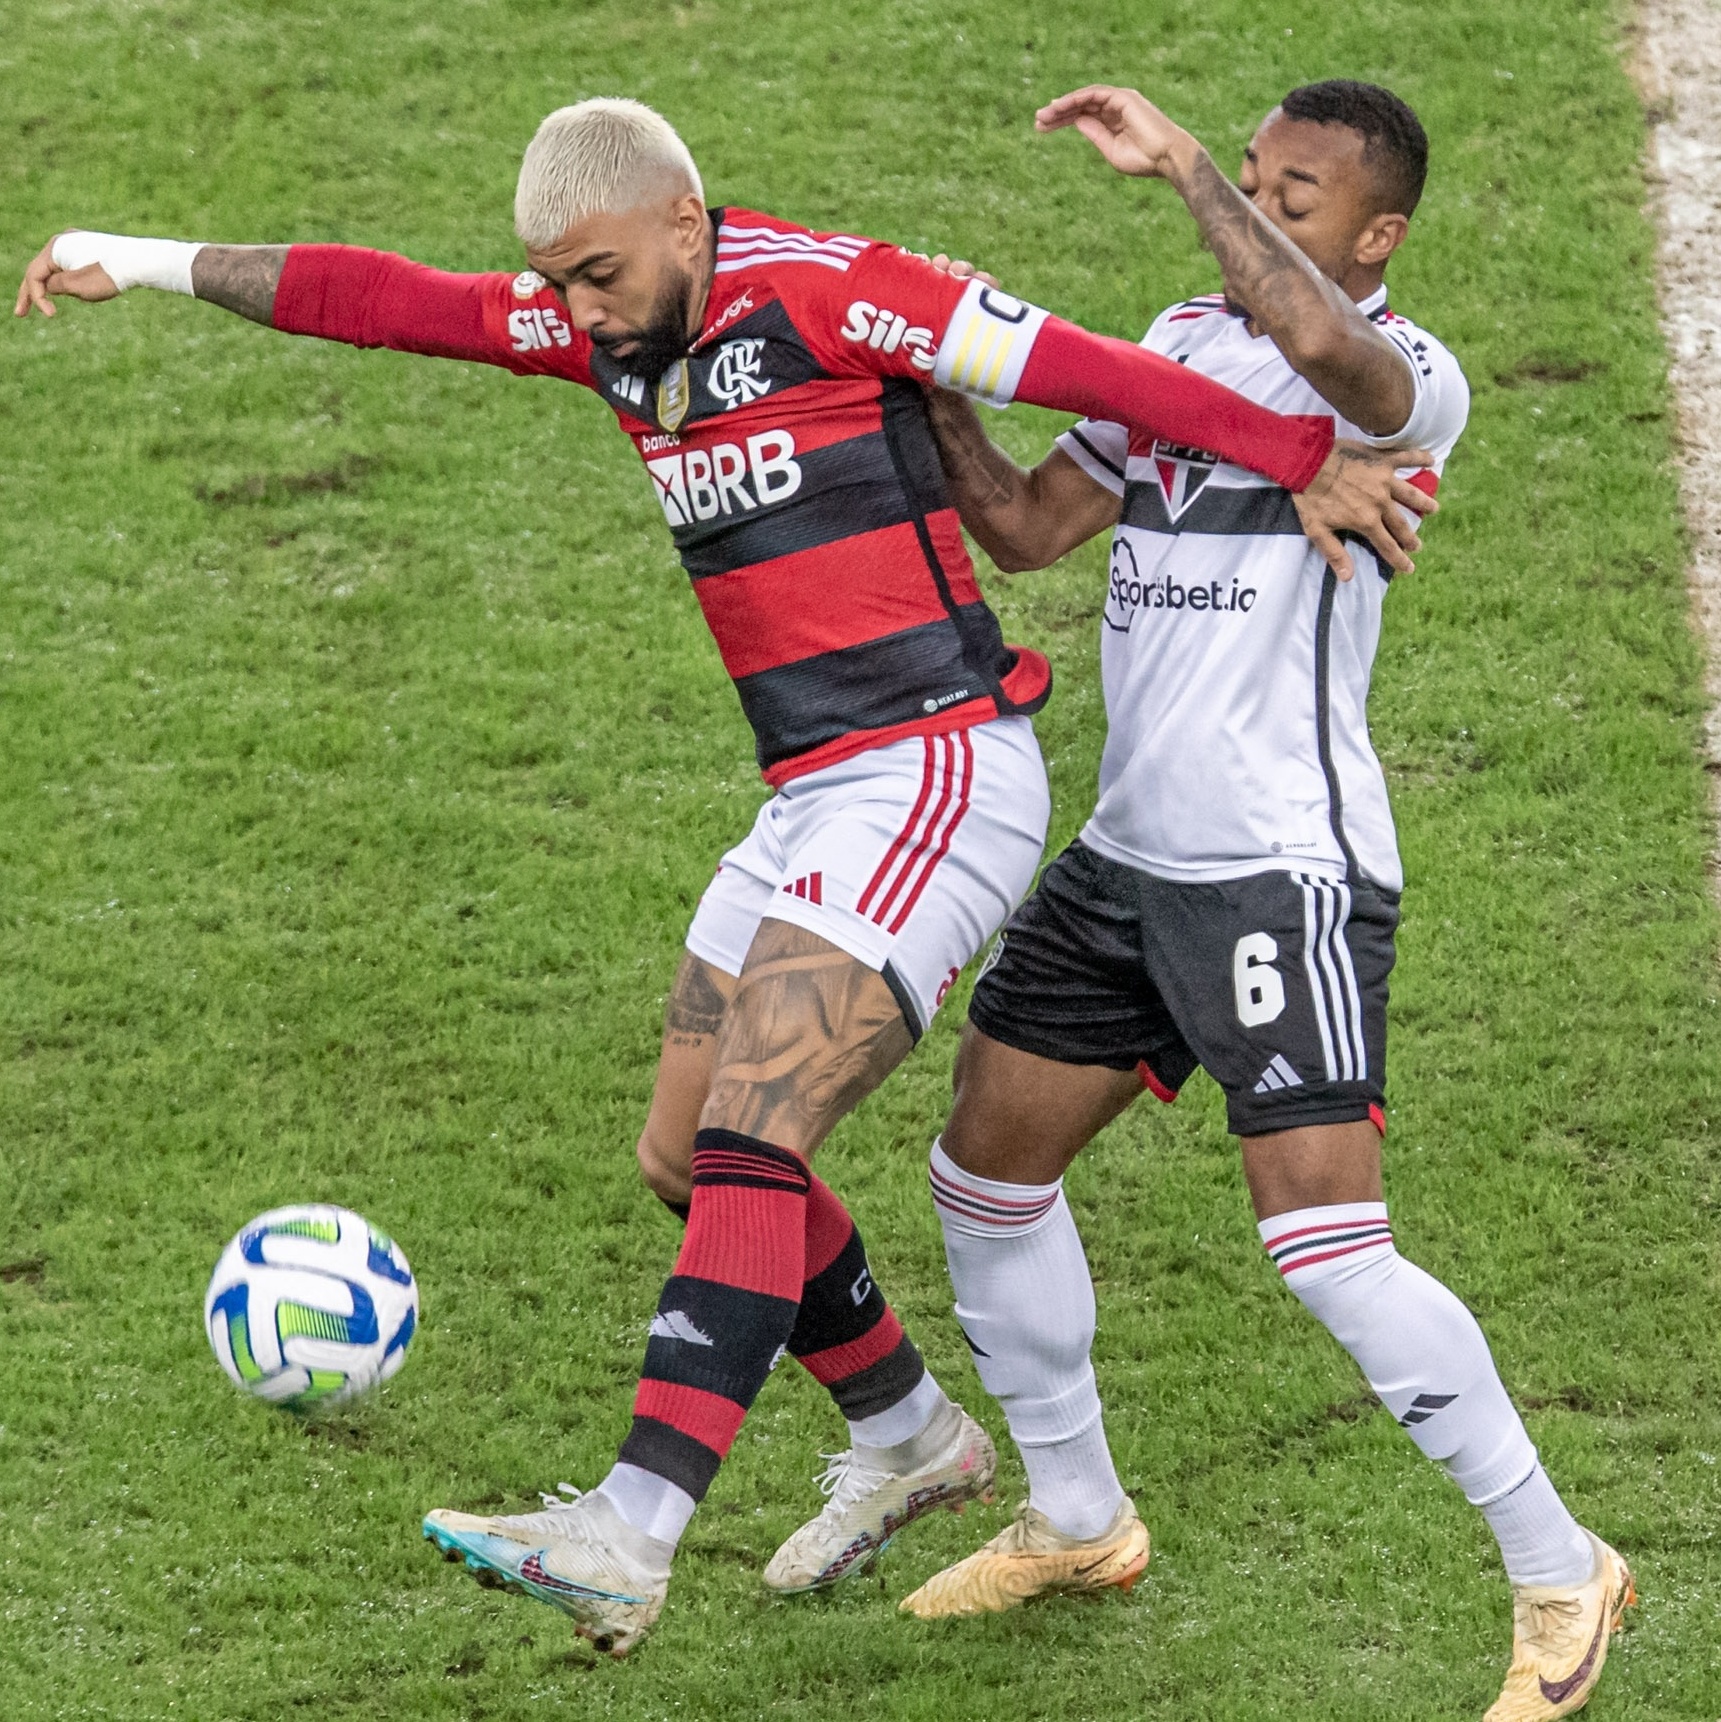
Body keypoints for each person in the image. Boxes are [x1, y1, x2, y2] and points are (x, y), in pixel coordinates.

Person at [17, 96, 1426, 1656]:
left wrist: (1301, 454)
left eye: (602, 276)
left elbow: (1098, 372)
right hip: (809, 796)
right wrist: (129, 258)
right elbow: (387, 301)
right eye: (555, 284)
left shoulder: (836, 291)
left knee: (763, 1122)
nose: (578, 315)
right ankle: (909, 1436)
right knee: (690, 1150)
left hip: (935, 769)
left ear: (685, 224)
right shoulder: (610, 328)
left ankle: (631, 1523)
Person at [897, 83, 1632, 1722]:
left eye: (1288, 198)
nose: (1248, 212)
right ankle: (1078, 1518)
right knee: (983, 1171)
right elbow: (1024, 527)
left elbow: (1334, 366)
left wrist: (1175, 179)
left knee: (1322, 1240)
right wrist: (928, 382)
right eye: (1245, 179)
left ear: (1374, 237)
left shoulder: (1404, 384)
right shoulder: (1172, 347)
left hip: (1278, 862)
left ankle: (1557, 1562)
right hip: (1129, 854)